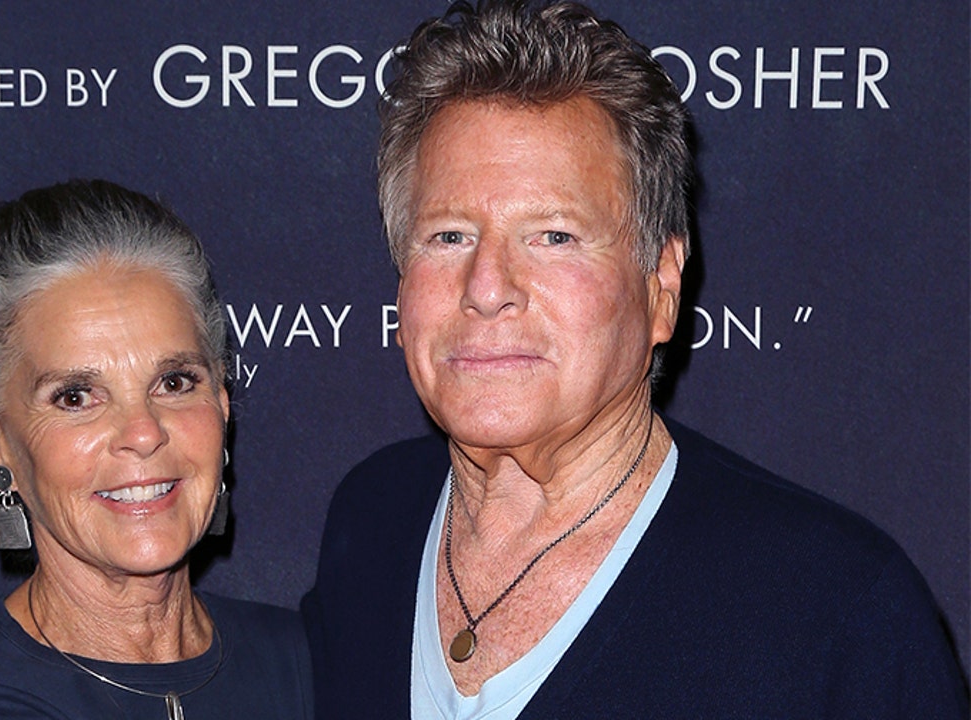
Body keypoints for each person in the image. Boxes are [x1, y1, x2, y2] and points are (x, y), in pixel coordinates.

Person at [302, 2, 967, 718]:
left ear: (661, 286)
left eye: (554, 236)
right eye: (449, 236)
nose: (487, 288)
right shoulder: (373, 521)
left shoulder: (838, 615)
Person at [0, 180, 312, 719]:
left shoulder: (317, 665)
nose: (143, 432)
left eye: (174, 382)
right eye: (76, 397)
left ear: (221, 402)